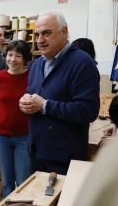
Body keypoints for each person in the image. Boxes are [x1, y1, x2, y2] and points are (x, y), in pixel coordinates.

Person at [19, 12, 100, 175]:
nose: (40, 40)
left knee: (64, 201)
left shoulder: (82, 63)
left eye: (46, 33)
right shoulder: (37, 65)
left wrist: (45, 105)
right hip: (36, 151)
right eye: (37, 35)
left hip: (65, 157)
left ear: (64, 32)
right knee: (37, 199)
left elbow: (88, 111)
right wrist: (24, 103)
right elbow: (30, 93)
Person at [0, 40, 32, 198]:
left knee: (23, 180)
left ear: (25, 59)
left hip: (24, 137)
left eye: (18, 56)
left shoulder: (31, 77)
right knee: (7, 181)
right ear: (5, 56)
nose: (13, 59)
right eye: (10, 55)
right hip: (1, 137)